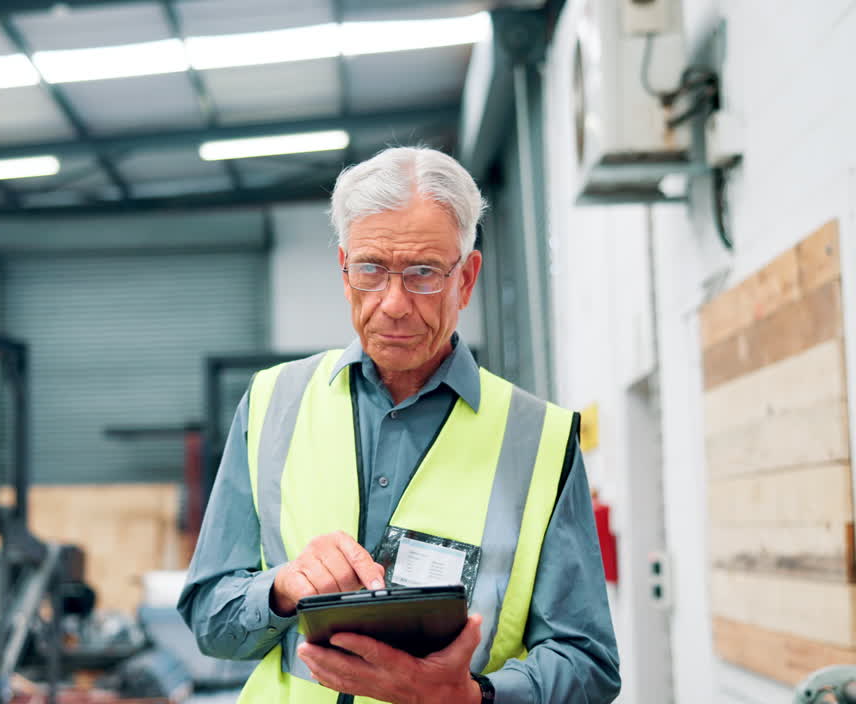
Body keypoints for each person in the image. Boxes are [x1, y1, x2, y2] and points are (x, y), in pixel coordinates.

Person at [178, 147, 620, 704]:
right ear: (344, 272)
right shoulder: (272, 403)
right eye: (371, 270)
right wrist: (282, 589)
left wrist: (475, 697)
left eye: (423, 273)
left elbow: (588, 663)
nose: (393, 303)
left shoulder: (540, 441)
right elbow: (209, 617)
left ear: (467, 279)